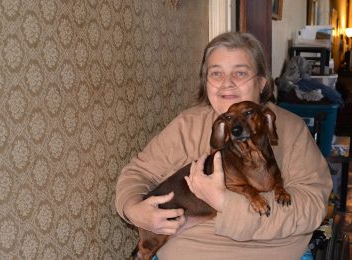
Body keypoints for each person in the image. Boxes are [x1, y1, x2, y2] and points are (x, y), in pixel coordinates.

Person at [115, 32, 333, 260]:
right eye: (216, 73)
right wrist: (134, 210)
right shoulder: (186, 125)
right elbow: (137, 174)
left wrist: (224, 202)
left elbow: (312, 207)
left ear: (262, 82)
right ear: (205, 82)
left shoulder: (291, 129)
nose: (227, 83)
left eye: (240, 73)